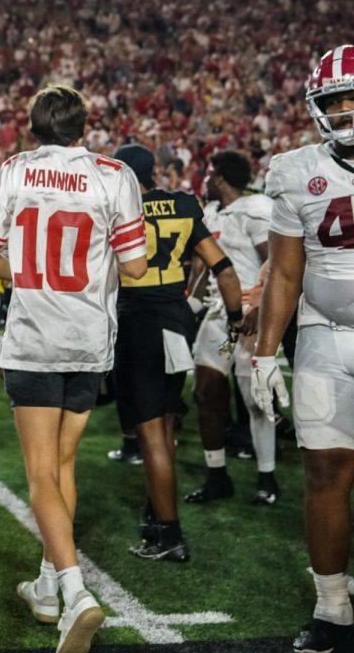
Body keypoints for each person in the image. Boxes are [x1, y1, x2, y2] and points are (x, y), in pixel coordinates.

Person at [0, 85, 147, 653]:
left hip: (35, 338)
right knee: (64, 465)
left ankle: (74, 592)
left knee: (42, 473)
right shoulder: (114, 174)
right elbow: (137, 267)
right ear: (84, 124)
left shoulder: (15, 171)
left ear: (33, 126)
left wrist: (23, 274)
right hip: (90, 340)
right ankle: (47, 584)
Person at [254, 44, 354, 653]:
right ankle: (332, 604)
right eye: (334, 104)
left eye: (353, 100)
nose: (345, 113)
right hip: (323, 335)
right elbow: (284, 274)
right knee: (325, 471)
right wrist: (266, 351)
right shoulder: (295, 169)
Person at [110, 144, 243, 562]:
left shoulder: (117, 210)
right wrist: (236, 316)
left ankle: (169, 536)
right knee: (165, 424)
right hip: (176, 319)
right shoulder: (184, 204)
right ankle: (156, 513)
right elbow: (222, 268)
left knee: (150, 432)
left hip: (138, 321)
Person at [186, 151, 277, 505]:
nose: (205, 181)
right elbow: (201, 270)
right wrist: (189, 308)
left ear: (220, 178)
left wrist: (256, 304)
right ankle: (217, 475)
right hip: (217, 315)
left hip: (252, 317)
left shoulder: (256, 208)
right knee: (205, 391)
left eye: (209, 174)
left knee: (256, 399)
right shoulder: (209, 213)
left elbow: (276, 262)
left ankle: (267, 477)